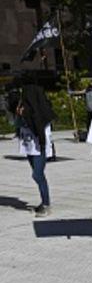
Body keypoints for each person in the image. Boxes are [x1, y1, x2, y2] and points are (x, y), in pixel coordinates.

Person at [13, 82, 55, 216]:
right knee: (37, 175)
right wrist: (20, 114)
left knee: (37, 174)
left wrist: (25, 114)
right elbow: (17, 124)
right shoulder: (23, 107)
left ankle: (46, 205)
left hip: (39, 145)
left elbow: (39, 124)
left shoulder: (40, 111)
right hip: (29, 144)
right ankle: (44, 202)